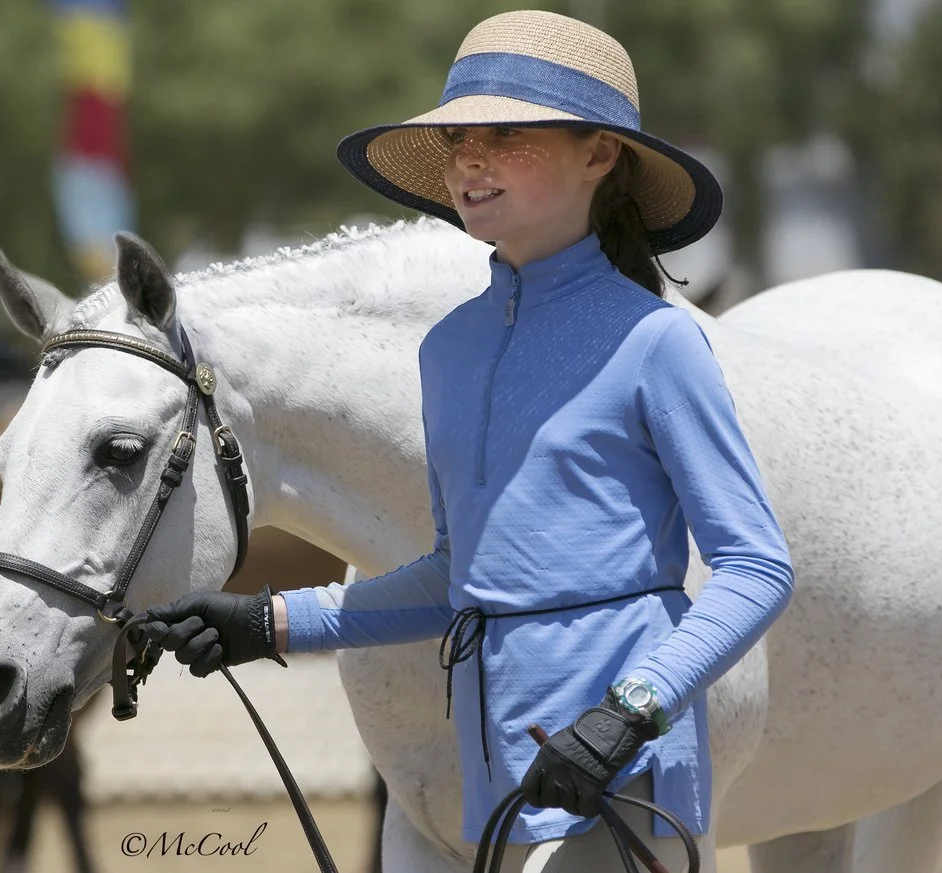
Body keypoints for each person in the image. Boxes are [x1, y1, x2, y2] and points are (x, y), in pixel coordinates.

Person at [139, 11, 793, 872]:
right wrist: (270, 621)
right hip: (493, 786)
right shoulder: (447, 349)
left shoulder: (658, 342)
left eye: (504, 134)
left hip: (628, 783)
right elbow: (460, 577)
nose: (468, 159)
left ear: (600, 155)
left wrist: (627, 711)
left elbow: (756, 568)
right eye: (456, 140)